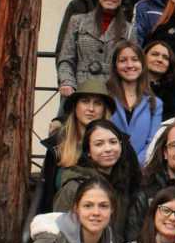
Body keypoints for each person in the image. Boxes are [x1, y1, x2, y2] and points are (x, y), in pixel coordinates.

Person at [56, 0, 131, 122]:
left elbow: (131, 65)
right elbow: (65, 58)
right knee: (65, 131)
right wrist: (67, 81)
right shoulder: (77, 21)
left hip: (110, 96)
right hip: (78, 90)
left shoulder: (129, 30)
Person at [54, 119, 141, 241]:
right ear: (88, 151)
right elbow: (59, 232)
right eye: (99, 144)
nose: (108, 149)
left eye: (113, 142)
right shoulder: (74, 186)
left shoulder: (124, 181)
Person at [42, 79, 119, 216]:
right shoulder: (57, 146)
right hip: (62, 217)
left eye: (97, 103)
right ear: (75, 106)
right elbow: (47, 194)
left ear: (104, 109)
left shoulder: (117, 145)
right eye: (85, 101)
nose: (91, 109)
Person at [105, 41, 163, 161]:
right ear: (115, 66)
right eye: (123, 60)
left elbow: (153, 142)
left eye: (135, 59)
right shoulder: (105, 98)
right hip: (108, 165)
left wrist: (136, 165)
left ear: (142, 64)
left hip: (142, 168)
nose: (129, 65)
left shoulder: (155, 103)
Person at [144, 40, 175, 118]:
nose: (160, 60)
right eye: (155, 54)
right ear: (143, 57)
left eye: (165, 58)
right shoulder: (130, 85)